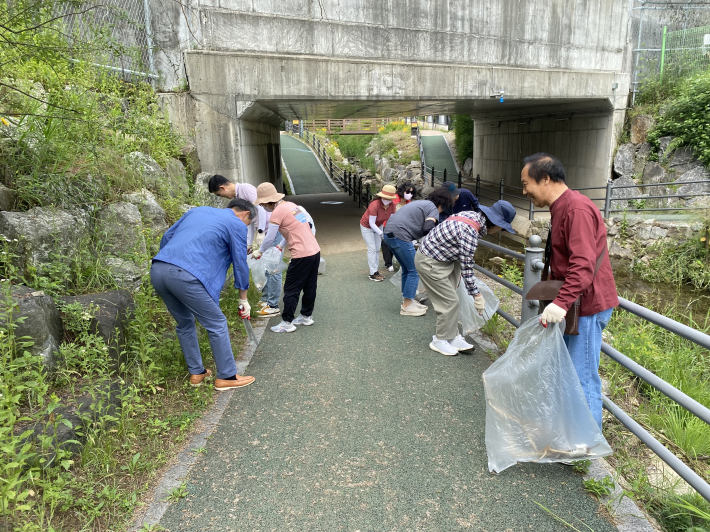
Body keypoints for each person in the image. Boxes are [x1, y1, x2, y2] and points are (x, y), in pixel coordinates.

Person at [521, 153, 618, 429]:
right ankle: (574, 436)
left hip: (585, 305)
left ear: (546, 179)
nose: (524, 190)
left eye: (526, 183)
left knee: (582, 375)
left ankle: (585, 445)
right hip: (575, 303)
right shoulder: (563, 206)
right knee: (571, 372)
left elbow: (583, 265)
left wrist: (560, 302)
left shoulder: (575, 209)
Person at [150, 198, 257, 391]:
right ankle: (227, 376)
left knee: (184, 322)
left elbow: (167, 237)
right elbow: (240, 262)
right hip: (185, 274)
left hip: (158, 269)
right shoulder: (236, 223)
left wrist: (169, 265)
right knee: (216, 323)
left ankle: (197, 372)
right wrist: (243, 298)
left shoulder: (197, 211)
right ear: (245, 214)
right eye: (248, 224)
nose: (246, 227)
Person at [416, 200, 516, 356]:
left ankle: (453, 336)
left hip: (443, 257)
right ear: (495, 223)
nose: (500, 231)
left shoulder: (472, 216)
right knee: (449, 302)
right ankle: (439, 340)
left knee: (452, 298)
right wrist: (477, 295)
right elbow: (467, 265)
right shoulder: (470, 231)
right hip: (431, 261)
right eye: (502, 227)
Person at [252, 183, 321, 333]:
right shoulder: (292, 206)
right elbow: (299, 227)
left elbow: (270, 236)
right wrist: (281, 246)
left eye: (263, 204)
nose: (263, 207)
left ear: (268, 201)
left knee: (291, 288)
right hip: (314, 251)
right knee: (310, 286)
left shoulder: (277, 212)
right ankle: (306, 316)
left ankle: (287, 322)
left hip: (301, 254)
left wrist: (260, 251)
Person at [383, 188, 454, 316]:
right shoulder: (433, 209)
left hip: (389, 234)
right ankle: (407, 306)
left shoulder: (423, 203)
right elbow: (428, 227)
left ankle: (408, 300)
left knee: (407, 268)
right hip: (400, 235)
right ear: (444, 203)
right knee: (414, 269)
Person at [208, 174, 268, 249]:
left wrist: (261, 231)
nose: (221, 197)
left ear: (222, 188)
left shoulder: (245, 188)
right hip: (264, 231)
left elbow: (261, 208)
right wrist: (249, 243)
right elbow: (249, 220)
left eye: (219, 194)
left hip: (271, 228)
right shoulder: (237, 197)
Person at [360, 184, 397, 281]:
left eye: (389, 198)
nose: (387, 200)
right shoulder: (375, 204)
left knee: (377, 248)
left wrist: (390, 232)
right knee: (372, 249)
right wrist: (382, 233)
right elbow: (371, 223)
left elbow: (391, 220)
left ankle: (375, 270)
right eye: (385, 198)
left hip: (379, 225)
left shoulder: (392, 205)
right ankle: (373, 273)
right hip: (367, 226)